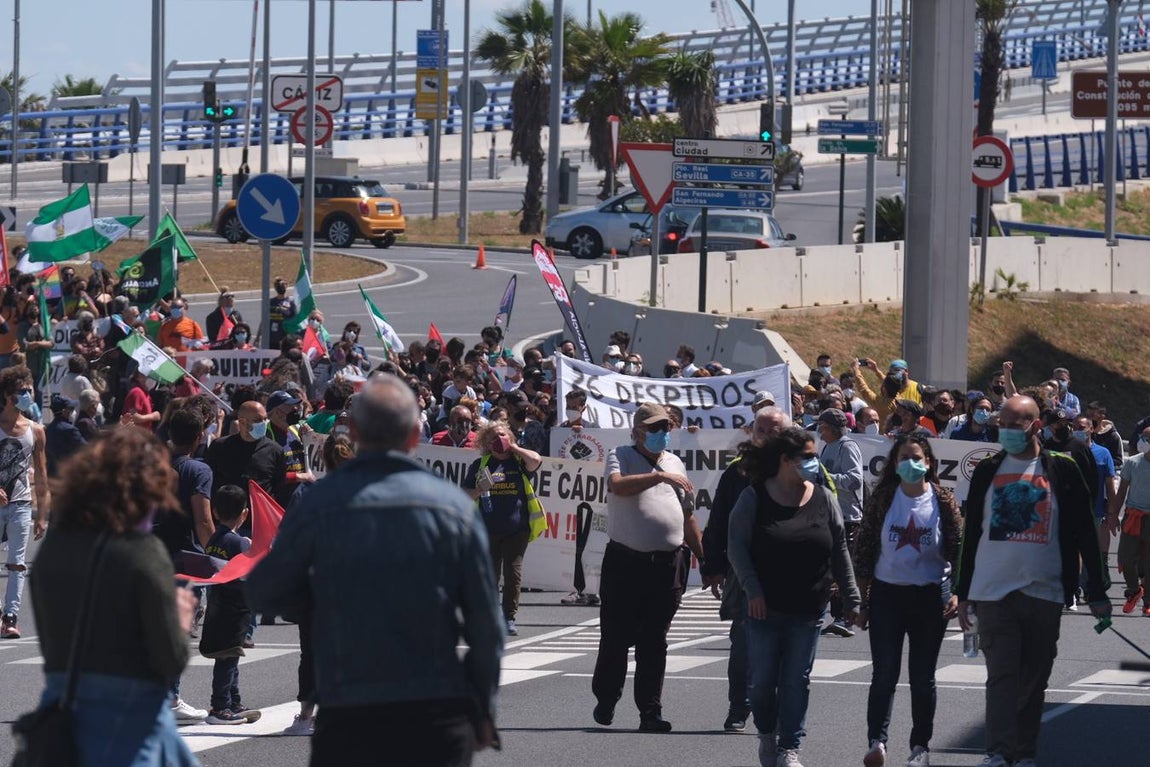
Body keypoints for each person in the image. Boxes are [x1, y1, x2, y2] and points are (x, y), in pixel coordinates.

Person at [248, 374, 504, 767]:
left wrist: (320, 608)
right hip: (435, 707)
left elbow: (265, 589)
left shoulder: (320, 502)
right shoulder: (451, 506)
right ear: (415, 437)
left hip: (351, 705)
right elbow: (486, 625)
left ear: (355, 433)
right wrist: (483, 707)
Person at [27, 428, 200, 767]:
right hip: (129, 716)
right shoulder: (142, 552)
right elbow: (170, 658)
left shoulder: (53, 549)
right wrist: (180, 621)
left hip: (61, 709)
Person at [955, 396, 1111, 767]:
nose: (1006, 430)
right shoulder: (987, 469)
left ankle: (1023, 752)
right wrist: (962, 591)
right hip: (993, 590)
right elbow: (971, 532)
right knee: (1002, 676)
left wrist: (1097, 591)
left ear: (1036, 426)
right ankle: (998, 751)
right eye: (1002, 423)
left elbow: (1084, 530)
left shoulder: (1062, 468)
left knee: (1034, 679)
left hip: (1045, 590)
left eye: (1015, 423)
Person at [727, 426, 860, 767]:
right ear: (786, 461)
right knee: (761, 682)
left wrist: (852, 596)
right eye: (809, 457)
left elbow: (840, 548)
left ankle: (789, 747)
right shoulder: (755, 497)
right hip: (763, 609)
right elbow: (737, 548)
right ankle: (767, 735)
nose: (816, 463)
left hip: (808, 607)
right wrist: (752, 589)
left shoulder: (822, 497)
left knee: (796, 680)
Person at [591, 402, 704, 734]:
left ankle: (650, 711)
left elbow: (687, 517)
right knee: (616, 636)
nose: (661, 434)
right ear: (638, 430)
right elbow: (617, 485)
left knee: (655, 640)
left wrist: (706, 558)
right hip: (626, 562)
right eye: (655, 428)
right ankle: (607, 696)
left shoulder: (675, 462)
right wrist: (658, 476)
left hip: (668, 564)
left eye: (666, 428)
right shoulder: (621, 455)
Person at [853, 435, 963, 767]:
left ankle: (920, 747)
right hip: (887, 595)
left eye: (916, 457)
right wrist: (860, 600)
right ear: (894, 463)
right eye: (903, 458)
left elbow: (960, 550)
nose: (910, 463)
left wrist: (958, 591)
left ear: (928, 462)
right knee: (884, 673)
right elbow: (864, 551)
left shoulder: (943, 501)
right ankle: (877, 742)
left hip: (931, 597)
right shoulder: (884, 498)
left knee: (922, 675)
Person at [701, 406, 791, 733]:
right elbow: (718, 522)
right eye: (763, 430)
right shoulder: (737, 472)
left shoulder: (806, 469)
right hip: (745, 574)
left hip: (790, 576)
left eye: (776, 430)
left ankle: (779, 713)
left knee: (787, 649)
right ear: (752, 433)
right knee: (742, 646)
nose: (768, 436)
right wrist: (713, 567)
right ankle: (738, 707)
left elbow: (827, 519)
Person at [463, 421, 543, 635]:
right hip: (488, 528)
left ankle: (508, 617)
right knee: (490, 575)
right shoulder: (480, 465)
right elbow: (463, 495)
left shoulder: (518, 462)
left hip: (517, 528)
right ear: (486, 444)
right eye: (493, 438)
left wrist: (513, 447)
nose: (497, 440)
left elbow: (536, 460)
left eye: (501, 435)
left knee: (513, 573)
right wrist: (480, 489)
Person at [200, 484, 262, 725]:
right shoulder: (239, 544)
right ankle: (220, 706)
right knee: (227, 659)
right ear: (244, 514)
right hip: (235, 609)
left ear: (215, 512)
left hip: (218, 604)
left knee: (230, 655)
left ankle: (234, 700)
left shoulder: (214, 539)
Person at [0, 366, 51, 639]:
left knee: (17, 563)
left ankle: (10, 617)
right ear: (8, 395)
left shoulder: (36, 430)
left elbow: (42, 475)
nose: (27, 394)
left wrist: (42, 513)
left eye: (29, 390)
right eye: (22, 391)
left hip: (20, 504)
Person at [815, 408, 865, 639]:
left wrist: (825, 477)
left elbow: (854, 479)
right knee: (831, 566)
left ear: (835, 428)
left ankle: (848, 616)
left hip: (847, 516)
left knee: (844, 567)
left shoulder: (847, 446)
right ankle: (838, 616)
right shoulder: (827, 447)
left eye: (823, 427)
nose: (820, 432)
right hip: (829, 515)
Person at [206, 399, 287, 529]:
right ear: (242, 422)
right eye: (258, 420)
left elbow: (279, 487)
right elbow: (209, 482)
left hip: (258, 525)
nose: (263, 423)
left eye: (265, 419)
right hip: (224, 524)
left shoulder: (274, 450)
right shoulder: (220, 447)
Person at [1109, 424, 1150, 616]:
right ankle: (1134, 591)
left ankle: (1148, 602)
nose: (1141, 442)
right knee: (1125, 558)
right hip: (1132, 517)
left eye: (1146, 439)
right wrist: (1113, 516)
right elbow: (1121, 491)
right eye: (1142, 438)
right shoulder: (1133, 462)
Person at [44, 393, 86, 476]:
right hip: (68, 474)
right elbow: (85, 447)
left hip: (52, 474)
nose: (73, 411)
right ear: (64, 411)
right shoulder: (70, 429)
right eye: (71, 408)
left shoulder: (48, 429)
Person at [269, 276, 297, 349]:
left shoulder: (291, 301)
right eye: (278, 285)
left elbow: (295, 319)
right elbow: (264, 320)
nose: (281, 286)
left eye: (283, 284)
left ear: (287, 285)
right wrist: (258, 336)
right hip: (272, 338)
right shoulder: (271, 302)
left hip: (286, 338)